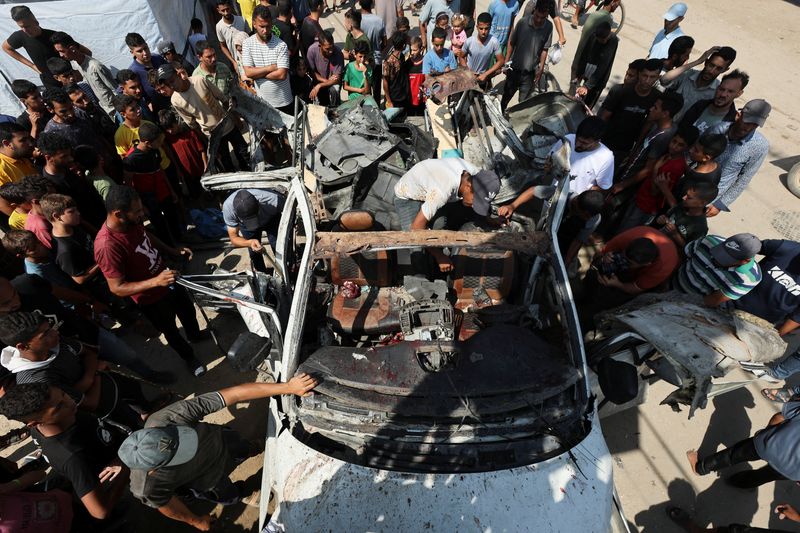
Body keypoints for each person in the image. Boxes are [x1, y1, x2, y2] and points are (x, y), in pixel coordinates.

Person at [118, 373, 318, 529]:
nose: (191, 445)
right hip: (208, 481)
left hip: (222, 441)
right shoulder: (146, 486)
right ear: (152, 470)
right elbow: (167, 506)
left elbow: (235, 394)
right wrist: (196, 522)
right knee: (227, 494)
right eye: (179, 453)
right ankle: (243, 494)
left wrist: (288, 387)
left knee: (243, 447)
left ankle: (252, 449)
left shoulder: (167, 418)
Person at [94, 185, 209, 376]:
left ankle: (195, 336)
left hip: (168, 279)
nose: (143, 213)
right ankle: (189, 357)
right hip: (151, 299)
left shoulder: (131, 223)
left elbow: (146, 236)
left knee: (187, 309)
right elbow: (116, 287)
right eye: (138, 211)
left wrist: (173, 251)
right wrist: (156, 281)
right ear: (118, 214)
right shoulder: (107, 246)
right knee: (171, 330)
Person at [0, 383, 131, 521]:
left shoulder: (57, 421)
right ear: (33, 423)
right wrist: (126, 465)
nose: (70, 401)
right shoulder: (73, 458)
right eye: (59, 407)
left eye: (63, 394)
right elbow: (100, 512)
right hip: (121, 466)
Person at [394, 158, 500, 272]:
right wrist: (439, 256)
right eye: (475, 201)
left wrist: (489, 218)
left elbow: (482, 199)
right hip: (408, 196)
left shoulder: (478, 175)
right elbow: (416, 228)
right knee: (416, 248)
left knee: (440, 228)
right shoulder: (442, 191)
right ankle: (421, 276)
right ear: (468, 186)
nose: (475, 206)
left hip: (431, 187)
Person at [579, 227, 679, 329]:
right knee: (592, 276)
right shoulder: (629, 238)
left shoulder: (662, 267)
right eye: (623, 257)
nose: (624, 263)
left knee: (609, 300)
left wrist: (617, 284)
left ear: (647, 264)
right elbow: (600, 253)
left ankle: (589, 319)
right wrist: (604, 258)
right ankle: (583, 295)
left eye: (629, 263)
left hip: (642, 276)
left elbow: (636, 288)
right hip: (634, 256)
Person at [157, 63, 250, 173]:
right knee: (228, 166)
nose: (172, 86)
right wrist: (208, 144)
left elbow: (223, 99)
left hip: (228, 126)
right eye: (168, 84)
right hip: (213, 135)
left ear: (178, 74)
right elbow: (193, 124)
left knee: (245, 156)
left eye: (172, 81)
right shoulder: (175, 100)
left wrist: (236, 119)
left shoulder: (199, 80)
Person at [732, 239, 800, 383]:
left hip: (758, 326)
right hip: (729, 303)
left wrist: (771, 337)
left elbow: (796, 318)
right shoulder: (787, 248)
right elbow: (748, 247)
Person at [686, 404, 800, 489]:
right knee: (764, 476)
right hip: (793, 471)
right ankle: (739, 482)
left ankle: (700, 468)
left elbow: (779, 417)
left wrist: (766, 431)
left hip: (768, 445)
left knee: (732, 455)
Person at [506, 117, 613, 206]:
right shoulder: (567, 139)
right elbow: (550, 163)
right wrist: (548, 168)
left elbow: (602, 187)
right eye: (578, 139)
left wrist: (582, 200)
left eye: (584, 143)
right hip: (553, 198)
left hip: (575, 205)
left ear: (597, 141)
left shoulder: (606, 157)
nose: (577, 145)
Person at [616, 125, 699, 232]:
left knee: (626, 232)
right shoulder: (668, 156)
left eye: (680, 145)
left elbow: (655, 191)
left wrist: (655, 168)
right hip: (640, 199)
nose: (674, 146)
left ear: (687, 148)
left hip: (646, 207)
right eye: (674, 141)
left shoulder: (676, 166)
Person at [610, 91, 685, 198]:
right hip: (626, 169)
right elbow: (642, 142)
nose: (650, 109)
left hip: (630, 182)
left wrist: (623, 185)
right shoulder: (657, 124)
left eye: (655, 108)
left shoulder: (663, 137)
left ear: (665, 113)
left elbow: (649, 168)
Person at [705, 99, 771, 217]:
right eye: (747, 122)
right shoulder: (717, 129)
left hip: (710, 200)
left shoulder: (760, 146)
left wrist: (720, 204)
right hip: (689, 185)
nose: (748, 128)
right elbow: (694, 154)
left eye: (754, 125)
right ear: (738, 115)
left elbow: (744, 179)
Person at [121, 122, 184, 245]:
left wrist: (171, 190)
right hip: (148, 197)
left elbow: (160, 170)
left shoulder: (154, 150)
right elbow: (128, 184)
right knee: (159, 224)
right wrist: (140, 205)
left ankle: (180, 239)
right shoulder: (130, 160)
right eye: (159, 142)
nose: (161, 144)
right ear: (147, 143)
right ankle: (169, 247)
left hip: (162, 190)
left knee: (172, 215)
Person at [598, 58, 663, 167]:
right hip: (605, 140)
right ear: (639, 74)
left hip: (625, 147)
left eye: (652, 77)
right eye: (644, 76)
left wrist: (635, 150)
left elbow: (648, 123)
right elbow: (604, 117)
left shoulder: (656, 97)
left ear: (658, 78)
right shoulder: (620, 91)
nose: (647, 80)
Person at [674, 233, 763, 307]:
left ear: (745, 261)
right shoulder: (709, 241)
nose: (717, 259)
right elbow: (682, 255)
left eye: (727, 258)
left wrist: (682, 302)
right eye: (721, 251)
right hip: (673, 279)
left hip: (692, 302)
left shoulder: (749, 279)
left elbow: (713, 300)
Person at [37, 131, 106, 227]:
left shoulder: (67, 168)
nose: (70, 159)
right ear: (49, 158)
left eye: (69, 154)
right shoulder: (51, 185)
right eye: (64, 156)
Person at [50, 31, 117, 117]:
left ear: (72, 49)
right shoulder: (75, 65)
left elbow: (115, 90)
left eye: (62, 51)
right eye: (58, 52)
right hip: (104, 112)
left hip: (115, 111)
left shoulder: (95, 67)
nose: (61, 55)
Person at [660, 46, 737, 121]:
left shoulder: (718, 91)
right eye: (711, 65)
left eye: (718, 68)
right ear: (706, 62)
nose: (711, 71)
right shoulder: (688, 74)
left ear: (725, 70)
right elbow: (664, 79)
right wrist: (698, 61)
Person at [500, 1, 552, 111]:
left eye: (542, 18)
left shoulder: (548, 27)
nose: (538, 20)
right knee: (506, 97)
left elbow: (544, 49)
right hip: (514, 70)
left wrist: (541, 68)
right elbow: (511, 43)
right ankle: (501, 113)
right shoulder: (522, 23)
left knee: (523, 104)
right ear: (534, 11)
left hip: (530, 74)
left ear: (547, 15)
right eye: (537, 16)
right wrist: (506, 61)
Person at [42, 90, 115, 167]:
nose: (70, 114)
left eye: (71, 108)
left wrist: (112, 153)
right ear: (50, 109)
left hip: (108, 161)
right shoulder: (51, 131)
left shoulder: (80, 113)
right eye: (63, 112)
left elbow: (98, 135)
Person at [242, 6, 294, 115]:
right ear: (254, 24)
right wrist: (270, 68)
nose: (265, 30)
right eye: (262, 26)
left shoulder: (281, 45)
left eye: (268, 26)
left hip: (284, 101)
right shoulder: (247, 44)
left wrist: (256, 74)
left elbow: (281, 75)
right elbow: (248, 72)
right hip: (264, 104)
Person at [222, 188, 285, 273]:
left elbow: (289, 215)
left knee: (279, 247)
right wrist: (249, 243)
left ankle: (285, 270)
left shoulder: (273, 200)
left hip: (271, 219)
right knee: (254, 252)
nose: (255, 225)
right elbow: (234, 238)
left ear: (259, 204)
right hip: (245, 226)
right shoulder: (228, 208)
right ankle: (262, 274)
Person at [2, 6, 66, 89]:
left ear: (35, 21)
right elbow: (5, 47)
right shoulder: (20, 36)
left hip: (67, 78)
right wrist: (32, 66)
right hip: (49, 83)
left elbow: (78, 48)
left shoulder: (53, 35)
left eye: (27, 26)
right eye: (21, 27)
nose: (25, 30)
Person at [679, 70, 747, 134]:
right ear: (717, 88)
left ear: (739, 94)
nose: (723, 94)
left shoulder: (731, 122)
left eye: (730, 91)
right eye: (721, 89)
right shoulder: (700, 106)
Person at [652, 183, 717, 248]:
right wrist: (661, 220)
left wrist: (675, 234)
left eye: (689, 197)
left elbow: (689, 250)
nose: (684, 198)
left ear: (702, 203)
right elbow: (666, 217)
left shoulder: (700, 228)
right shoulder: (683, 205)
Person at [158, 110, 207, 196]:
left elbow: (202, 150)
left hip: (200, 168)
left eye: (171, 127)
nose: (170, 131)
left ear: (176, 122)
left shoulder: (189, 132)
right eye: (167, 129)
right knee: (195, 194)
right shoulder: (168, 138)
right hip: (186, 173)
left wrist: (206, 166)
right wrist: (178, 171)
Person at [569, 0, 620, 82]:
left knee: (573, 87)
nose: (618, 5)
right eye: (617, 3)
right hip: (586, 61)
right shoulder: (607, 19)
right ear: (612, 2)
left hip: (578, 58)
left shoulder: (594, 14)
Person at [572, 21, 618, 109]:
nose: (602, 41)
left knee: (587, 107)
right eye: (600, 39)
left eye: (604, 39)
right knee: (576, 103)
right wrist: (579, 74)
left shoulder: (613, 40)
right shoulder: (593, 36)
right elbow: (584, 55)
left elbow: (603, 66)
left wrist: (587, 86)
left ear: (609, 34)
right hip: (587, 73)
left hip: (598, 80)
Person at [556, 190, 605, 266]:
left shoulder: (594, 219)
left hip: (564, 244)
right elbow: (533, 191)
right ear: (576, 204)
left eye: (590, 217)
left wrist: (565, 263)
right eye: (586, 215)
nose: (587, 219)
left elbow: (578, 240)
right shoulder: (562, 194)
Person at [459, 12, 504, 89]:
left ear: (490, 27)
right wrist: (468, 71)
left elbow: (501, 61)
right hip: (468, 77)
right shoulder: (469, 41)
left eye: (486, 29)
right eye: (481, 28)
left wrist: (485, 74)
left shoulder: (494, 42)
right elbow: (461, 57)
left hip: (482, 78)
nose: (483, 32)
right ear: (477, 27)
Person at [124, 33, 168, 110]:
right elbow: (123, 91)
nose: (145, 53)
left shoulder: (157, 58)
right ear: (132, 52)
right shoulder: (133, 72)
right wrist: (146, 102)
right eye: (139, 51)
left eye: (145, 48)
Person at [359, 0, 387, 103]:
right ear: (372, 4)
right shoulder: (379, 20)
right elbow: (384, 42)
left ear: (359, 3)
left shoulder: (357, 20)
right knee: (376, 90)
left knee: (364, 89)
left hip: (362, 61)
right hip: (376, 60)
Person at [307, 32, 345, 106]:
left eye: (332, 47)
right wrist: (326, 82)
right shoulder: (312, 50)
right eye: (327, 49)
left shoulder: (338, 53)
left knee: (335, 90)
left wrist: (321, 85)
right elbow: (312, 72)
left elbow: (337, 79)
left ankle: (335, 108)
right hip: (319, 81)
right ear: (320, 45)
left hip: (331, 83)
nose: (331, 51)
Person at [216, 0, 250, 68]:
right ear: (218, 10)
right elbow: (223, 46)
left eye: (227, 9)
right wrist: (233, 62)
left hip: (249, 58)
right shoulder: (219, 26)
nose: (226, 13)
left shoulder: (242, 20)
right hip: (237, 62)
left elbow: (251, 38)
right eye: (223, 10)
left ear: (231, 7)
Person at [0, 123, 35, 187]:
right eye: (23, 140)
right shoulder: (2, 169)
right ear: (7, 143)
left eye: (29, 139)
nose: (30, 144)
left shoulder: (22, 157)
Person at [382, 32, 410, 110]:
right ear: (404, 45)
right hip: (394, 99)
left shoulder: (401, 56)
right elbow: (385, 82)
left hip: (402, 97)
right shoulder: (388, 62)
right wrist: (389, 101)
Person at [406, 36, 426, 115]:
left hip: (421, 99)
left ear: (421, 49)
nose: (412, 52)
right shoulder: (407, 63)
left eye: (415, 50)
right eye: (411, 50)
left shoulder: (425, 62)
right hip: (409, 99)